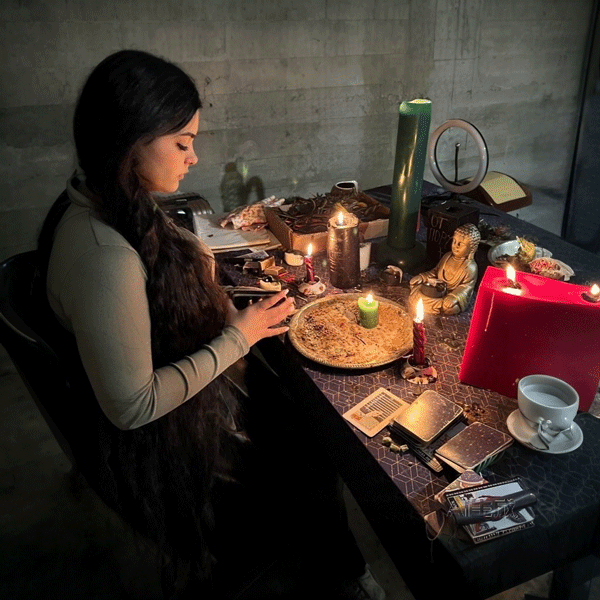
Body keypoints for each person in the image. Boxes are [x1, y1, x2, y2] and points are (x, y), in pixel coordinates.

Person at [35, 50, 385, 600]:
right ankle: (341, 570)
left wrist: (197, 266)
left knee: (292, 407)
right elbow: (133, 406)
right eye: (182, 143)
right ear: (130, 142)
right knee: (313, 441)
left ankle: (335, 555)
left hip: (166, 381)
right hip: (160, 447)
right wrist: (237, 336)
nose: (194, 157)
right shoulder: (104, 257)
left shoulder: (101, 194)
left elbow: (152, 255)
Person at [409, 223, 481, 315]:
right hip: (436, 289)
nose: (456, 246)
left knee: (450, 308)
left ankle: (434, 306)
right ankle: (430, 305)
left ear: (472, 249)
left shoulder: (470, 267)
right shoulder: (447, 256)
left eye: (461, 244)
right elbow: (435, 272)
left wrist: (453, 297)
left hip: (450, 295)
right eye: (454, 241)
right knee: (415, 287)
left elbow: (466, 287)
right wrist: (422, 277)